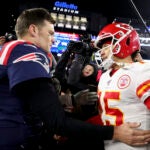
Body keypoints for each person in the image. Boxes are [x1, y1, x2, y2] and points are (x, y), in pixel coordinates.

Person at [0, 8, 150, 150]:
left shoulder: (141, 70)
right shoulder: (25, 51)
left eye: (105, 46)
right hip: (12, 138)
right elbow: (56, 121)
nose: (53, 39)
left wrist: (70, 102)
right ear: (33, 30)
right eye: (50, 33)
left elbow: (32, 102)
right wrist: (114, 132)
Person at [94, 22, 150, 150]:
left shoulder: (141, 71)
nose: (101, 52)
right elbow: (106, 116)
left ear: (123, 43)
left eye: (105, 46)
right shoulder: (104, 77)